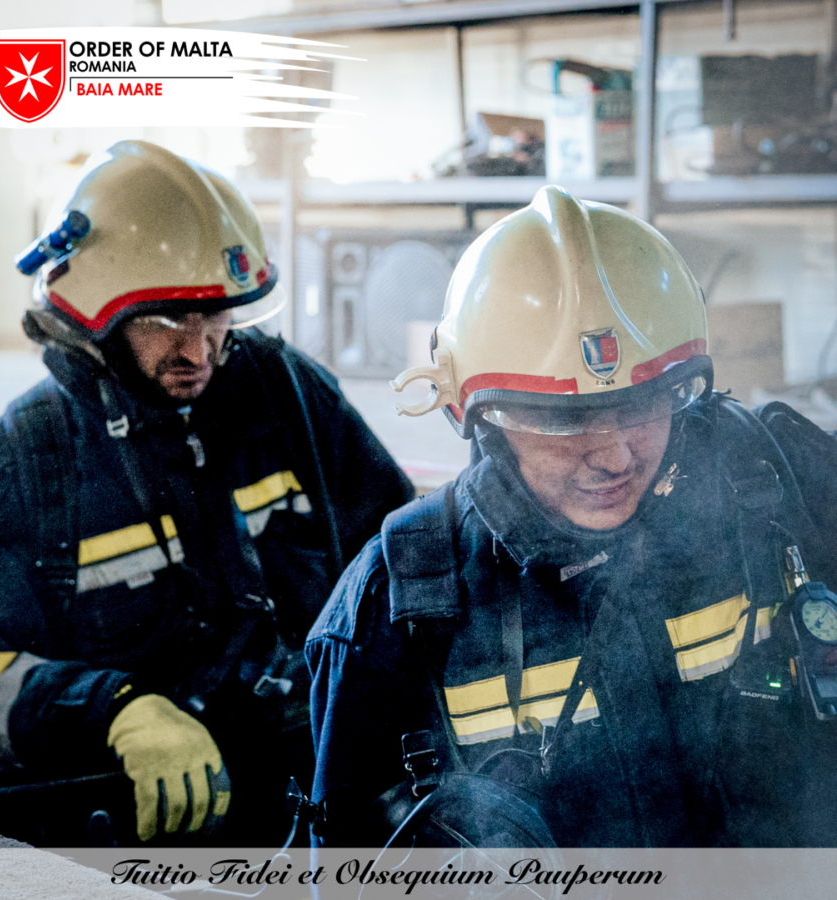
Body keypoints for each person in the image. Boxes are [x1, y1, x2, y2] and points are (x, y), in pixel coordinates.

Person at [306, 185, 837, 849]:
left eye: (643, 405)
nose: (614, 457)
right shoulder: (397, 613)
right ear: (477, 414)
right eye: (567, 421)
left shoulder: (779, 481)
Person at [0, 140, 413, 846]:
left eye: (216, 316)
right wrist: (115, 710)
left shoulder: (288, 398)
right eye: (165, 320)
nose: (198, 351)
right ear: (95, 321)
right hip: (148, 836)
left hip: (323, 790)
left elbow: (403, 556)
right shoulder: (20, 466)